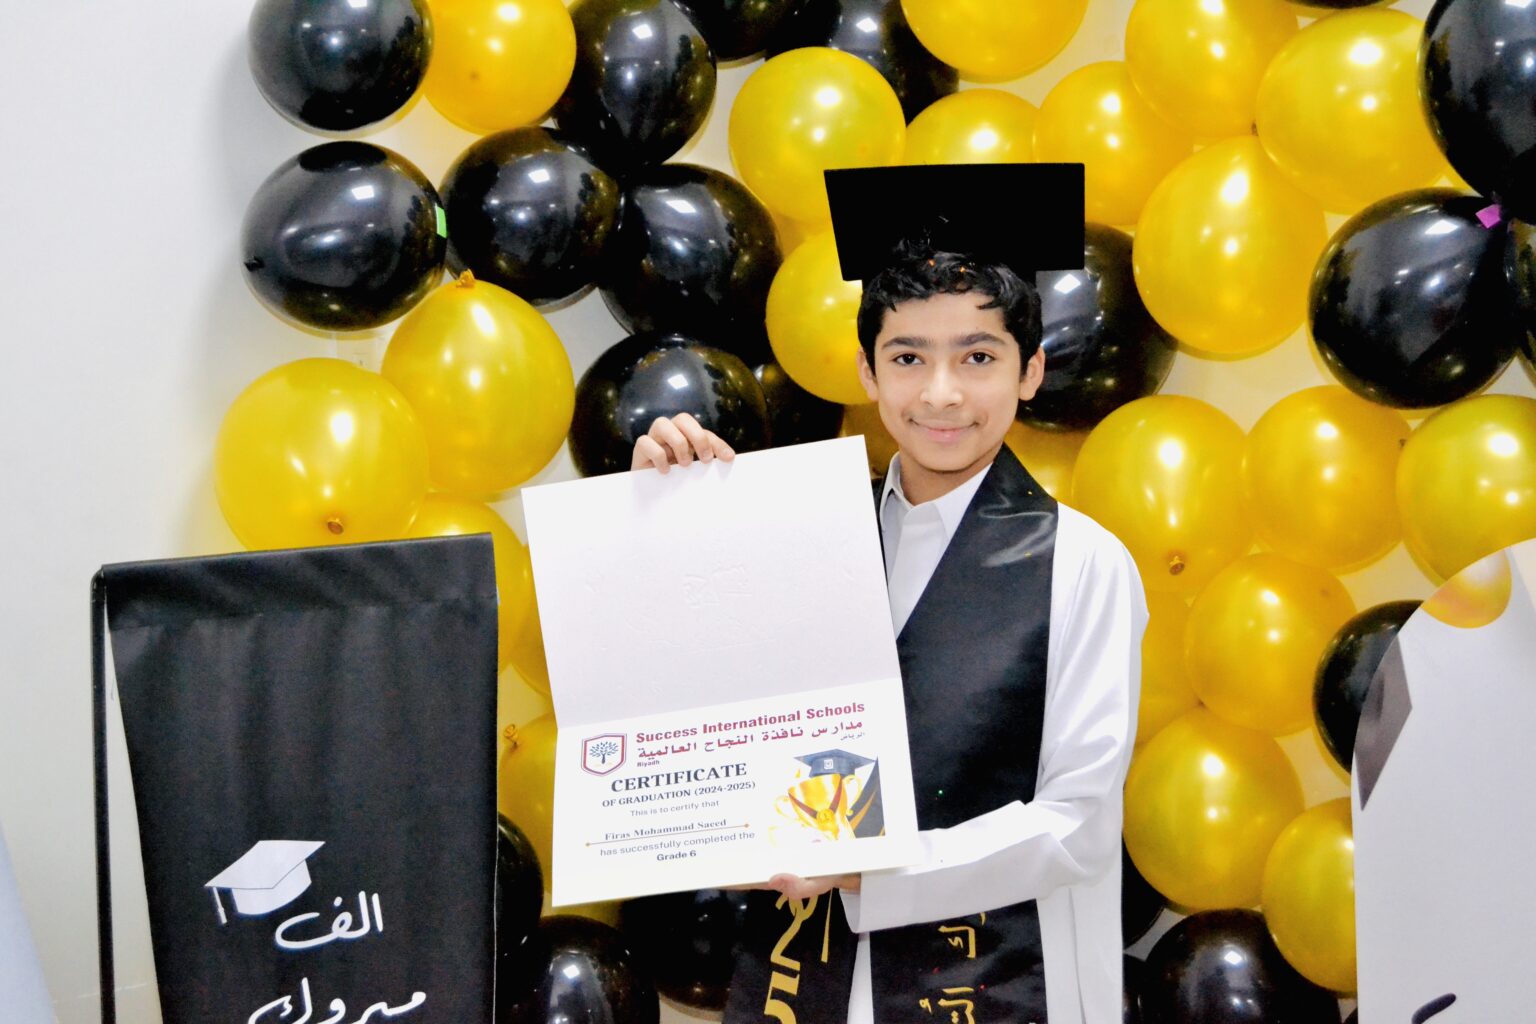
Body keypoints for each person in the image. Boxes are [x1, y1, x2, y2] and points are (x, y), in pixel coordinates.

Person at [629, 163, 1147, 1024]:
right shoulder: (801, 538)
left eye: (978, 357)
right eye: (908, 358)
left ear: (1030, 371)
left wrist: (875, 871)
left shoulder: (1084, 564)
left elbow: (1075, 825)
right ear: (867, 372)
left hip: (1004, 983)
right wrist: (666, 521)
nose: (941, 393)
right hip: (805, 980)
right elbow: (700, 715)